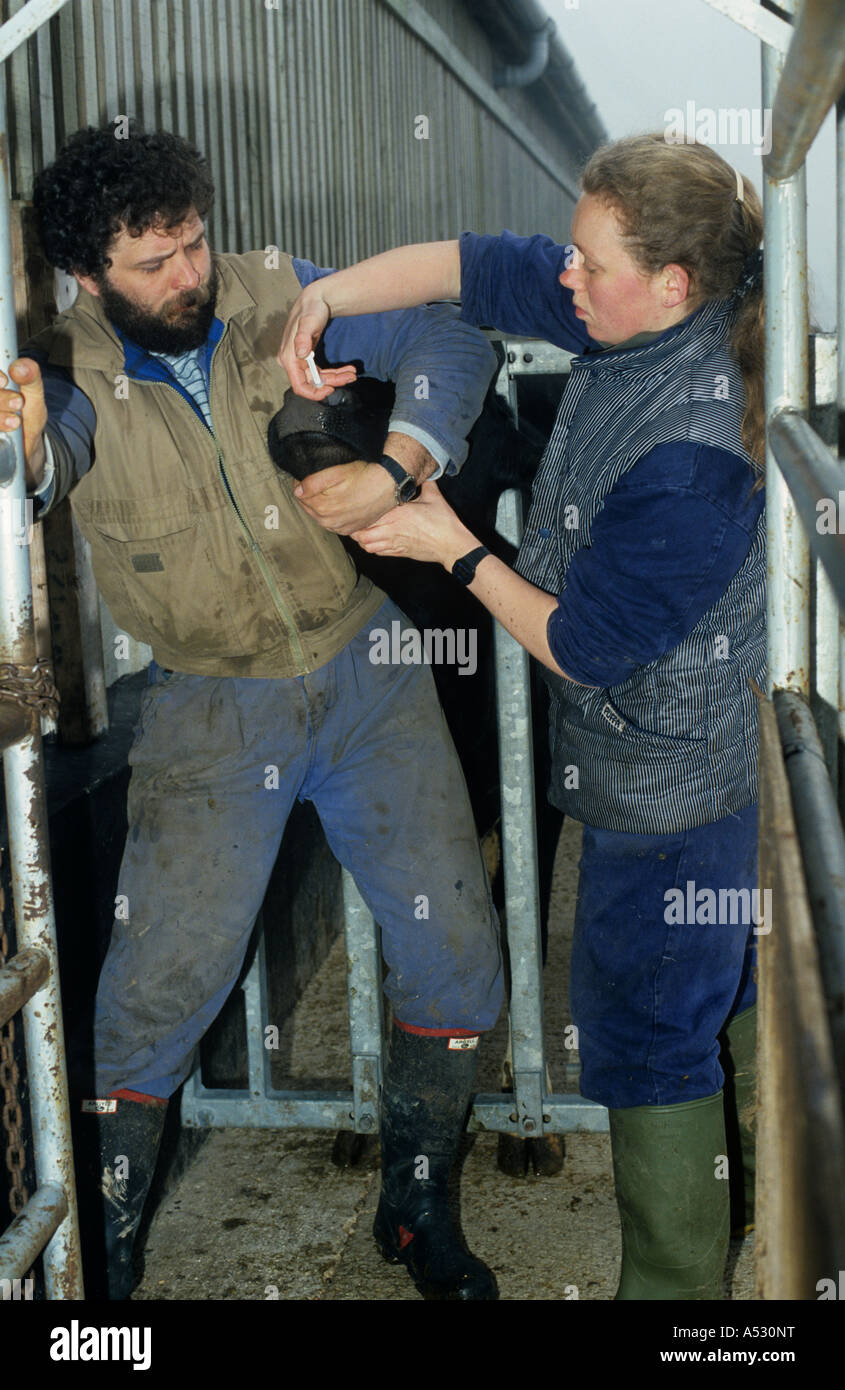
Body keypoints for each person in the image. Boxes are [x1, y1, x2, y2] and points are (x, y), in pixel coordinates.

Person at [1, 122, 506, 1301]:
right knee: (154, 997)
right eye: (155, 261)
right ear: (89, 276)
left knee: (454, 949)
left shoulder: (280, 290)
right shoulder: (65, 372)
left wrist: (403, 458)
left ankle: (416, 1205)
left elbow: (445, 331)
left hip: (367, 669)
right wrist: (21, 452)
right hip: (210, 709)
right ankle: (106, 1265)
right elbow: (42, 463)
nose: (190, 274)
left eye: (193, 239)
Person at [279, 133, 765, 1301]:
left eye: (588, 265)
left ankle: (679, 1302)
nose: (564, 280)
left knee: (645, 1035)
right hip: (657, 759)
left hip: (673, 784)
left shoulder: (695, 455)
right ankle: (760, 1228)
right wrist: (318, 303)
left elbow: (587, 646)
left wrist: (454, 542)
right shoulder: (631, 311)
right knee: (709, 1000)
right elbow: (469, 262)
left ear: (670, 286)